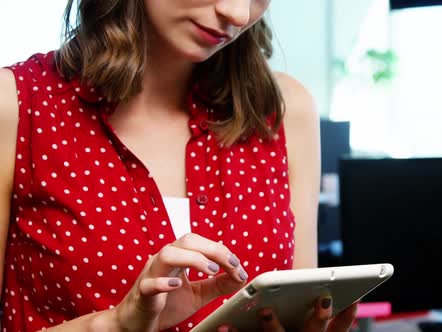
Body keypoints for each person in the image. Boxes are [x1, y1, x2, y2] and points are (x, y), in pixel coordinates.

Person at [0, 0, 357, 331]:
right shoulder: (17, 106)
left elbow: (298, 307)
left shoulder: (283, 110)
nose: (237, 14)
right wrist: (115, 324)